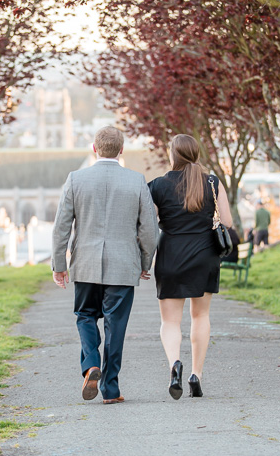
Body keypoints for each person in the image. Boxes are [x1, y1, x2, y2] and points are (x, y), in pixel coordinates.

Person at [51, 126, 159, 405]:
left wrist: (58, 263)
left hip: (85, 263)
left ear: (94, 150)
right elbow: (150, 229)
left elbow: (61, 226)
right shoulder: (136, 181)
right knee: (116, 325)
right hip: (123, 266)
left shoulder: (76, 179)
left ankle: (90, 364)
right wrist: (145, 261)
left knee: (85, 315)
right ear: (122, 150)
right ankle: (111, 389)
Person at [148, 134, 233, 399]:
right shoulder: (211, 182)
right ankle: (197, 374)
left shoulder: (158, 185)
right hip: (205, 255)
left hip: (171, 255)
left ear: (173, 155)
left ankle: (175, 366)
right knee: (200, 316)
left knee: (170, 321)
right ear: (195, 153)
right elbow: (227, 221)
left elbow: (148, 225)